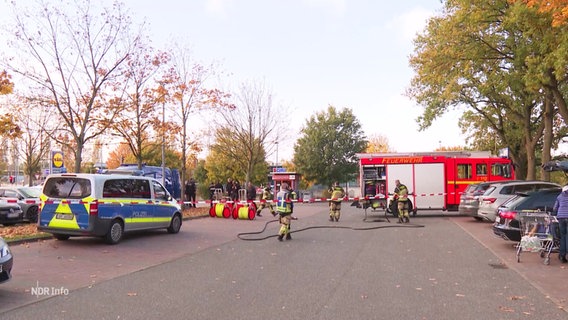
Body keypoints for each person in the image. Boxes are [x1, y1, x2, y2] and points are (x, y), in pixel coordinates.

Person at [553, 185, 568, 263]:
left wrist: (554, 214)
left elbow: (555, 208)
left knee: (563, 236)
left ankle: (562, 255)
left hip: (561, 218)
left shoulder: (559, 196)